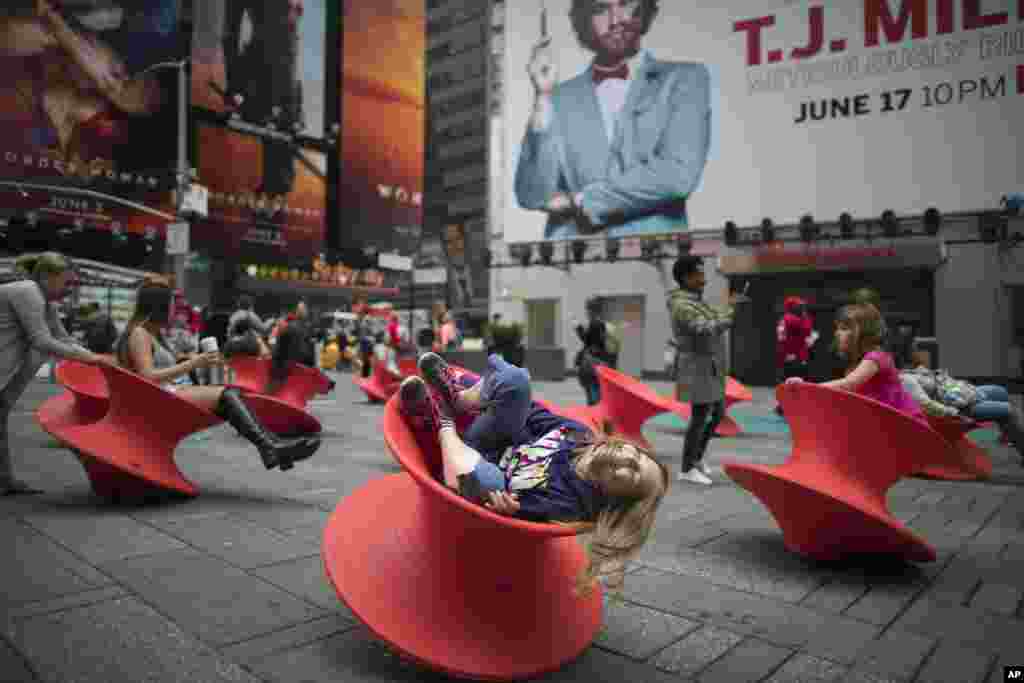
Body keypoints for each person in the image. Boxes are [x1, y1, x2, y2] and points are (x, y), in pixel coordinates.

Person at [399, 352, 669, 595]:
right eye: (634, 455)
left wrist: (507, 511)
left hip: (475, 466)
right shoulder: (579, 436)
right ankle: (458, 398)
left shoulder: (572, 503)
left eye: (633, 473)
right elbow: (529, 412)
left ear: (619, 499)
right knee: (516, 381)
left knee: (489, 484)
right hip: (491, 438)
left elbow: (522, 509)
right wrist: (501, 395)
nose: (626, 459)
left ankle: (439, 419)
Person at [514, 0, 710, 240]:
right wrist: (543, 97)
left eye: (625, 3)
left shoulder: (685, 80)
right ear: (584, 19)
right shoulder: (558, 97)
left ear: (644, 8)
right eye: (600, 9)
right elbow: (532, 195)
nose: (615, 19)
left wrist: (581, 200)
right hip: (571, 267)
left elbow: (677, 175)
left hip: (657, 265)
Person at [115, 278, 320, 471]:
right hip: (158, 398)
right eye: (171, 305)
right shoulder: (140, 334)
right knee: (226, 395)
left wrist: (187, 358)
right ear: (158, 307)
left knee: (228, 396)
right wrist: (193, 363)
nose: (173, 311)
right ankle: (271, 447)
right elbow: (148, 375)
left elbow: (156, 365)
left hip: (168, 391)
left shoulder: (151, 334)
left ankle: (271, 446)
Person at [1, 252, 114, 494]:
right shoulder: (27, 291)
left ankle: (5, 479)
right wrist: (91, 358)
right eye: (66, 282)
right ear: (45, 277)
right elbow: (41, 340)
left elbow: (63, 338)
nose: (69, 290)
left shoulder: (46, 301)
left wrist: (95, 360)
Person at [659, 255, 743, 485]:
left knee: (716, 413)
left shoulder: (695, 300)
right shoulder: (682, 304)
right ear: (686, 277)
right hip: (696, 365)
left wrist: (727, 309)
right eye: (699, 273)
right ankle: (686, 468)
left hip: (708, 365)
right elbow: (706, 328)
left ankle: (696, 458)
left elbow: (713, 319)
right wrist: (731, 311)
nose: (704, 279)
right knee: (699, 417)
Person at [786, 303, 926, 425]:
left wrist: (805, 387)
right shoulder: (857, 364)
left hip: (907, 425)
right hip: (885, 424)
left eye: (844, 328)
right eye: (838, 328)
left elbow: (847, 384)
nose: (837, 333)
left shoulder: (875, 358)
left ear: (863, 334)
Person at [900, 347, 1024, 460]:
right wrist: (954, 413)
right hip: (962, 407)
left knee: (1000, 391)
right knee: (1008, 411)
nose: (921, 352)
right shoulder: (906, 380)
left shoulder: (915, 371)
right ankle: (1016, 437)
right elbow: (926, 404)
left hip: (963, 393)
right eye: (916, 350)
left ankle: (1011, 434)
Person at [774, 296, 818, 415]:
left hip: (788, 355)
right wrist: (805, 316)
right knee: (796, 381)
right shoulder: (792, 319)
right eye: (799, 306)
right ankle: (787, 406)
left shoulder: (784, 318)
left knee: (787, 380)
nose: (801, 307)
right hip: (795, 356)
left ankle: (783, 406)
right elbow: (808, 330)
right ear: (792, 307)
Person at [574, 298, 616, 406]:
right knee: (597, 395)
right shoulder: (602, 324)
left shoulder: (595, 324)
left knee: (594, 398)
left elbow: (589, 342)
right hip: (599, 364)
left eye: (587, 310)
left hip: (593, 366)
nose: (586, 313)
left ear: (591, 310)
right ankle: (599, 417)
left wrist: (579, 329)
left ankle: (597, 418)